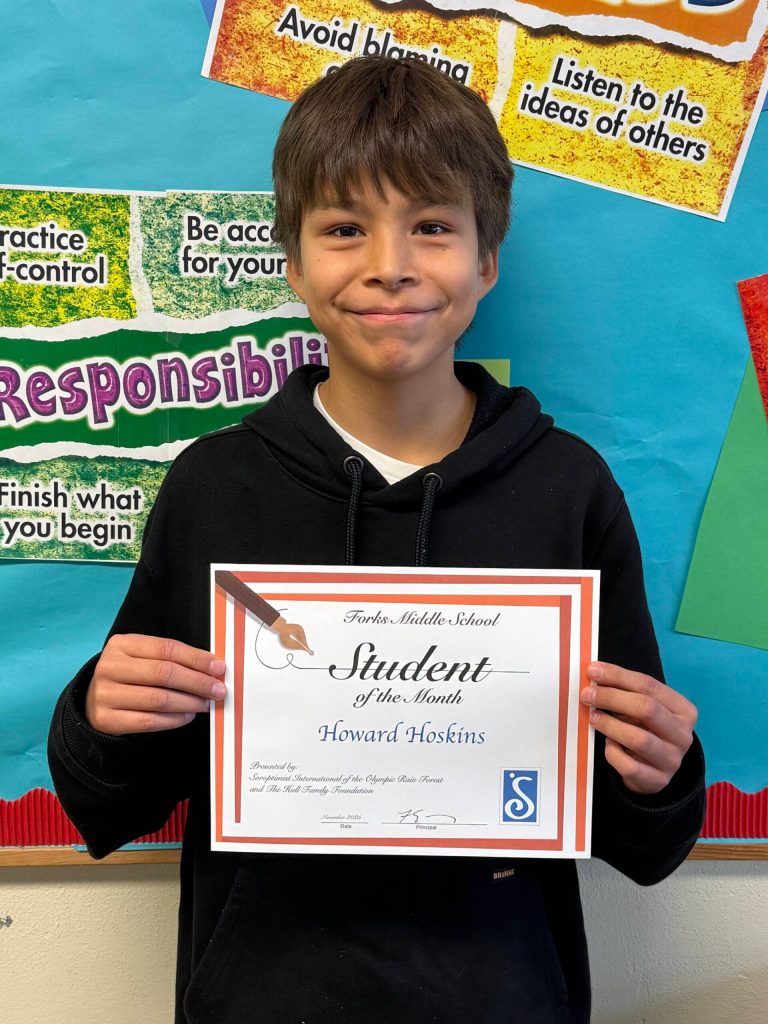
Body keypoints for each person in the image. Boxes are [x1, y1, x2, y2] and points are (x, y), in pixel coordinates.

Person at [49, 56, 704, 1024]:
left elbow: (644, 843)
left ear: (486, 260)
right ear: (293, 261)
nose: (390, 263)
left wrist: (659, 776)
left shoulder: (566, 489)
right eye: (344, 228)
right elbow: (111, 804)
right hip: (259, 996)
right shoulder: (217, 486)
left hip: (505, 996)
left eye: (432, 226)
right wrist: (101, 718)